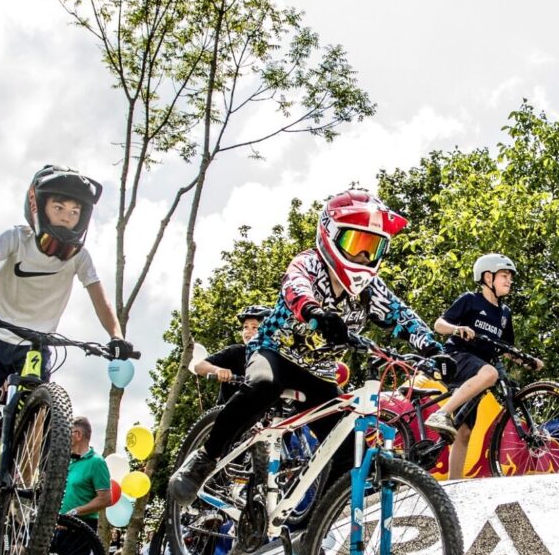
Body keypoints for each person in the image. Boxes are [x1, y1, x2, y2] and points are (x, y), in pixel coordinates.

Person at [169, 191, 440, 504]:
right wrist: (316, 313)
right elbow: (296, 288)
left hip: (320, 374)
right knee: (262, 386)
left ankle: (314, 532)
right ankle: (205, 458)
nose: (364, 258)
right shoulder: (309, 263)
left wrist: (435, 350)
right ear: (330, 235)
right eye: (356, 245)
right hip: (276, 354)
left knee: (350, 451)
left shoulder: (370, 289)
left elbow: (400, 315)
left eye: (372, 248)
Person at [0, 166, 136, 534]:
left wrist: (116, 336)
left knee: (38, 424)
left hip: (35, 345)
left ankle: (20, 499)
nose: (68, 217)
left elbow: (100, 297)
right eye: (60, 208)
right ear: (39, 207)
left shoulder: (79, 256)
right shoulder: (17, 238)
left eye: (75, 212)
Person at [426, 255, 543, 480]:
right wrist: (457, 328)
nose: (509, 281)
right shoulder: (470, 300)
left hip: (478, 372)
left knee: (464, 433)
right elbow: (439, 325)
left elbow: (507, 347)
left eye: (510, 277)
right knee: (491, 373)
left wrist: (527, 360)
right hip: (457, 358)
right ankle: (442, 413)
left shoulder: (504, 314)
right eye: (504, 276)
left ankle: (454, 486)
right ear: (487, 277)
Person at [50, 415, 111, 555]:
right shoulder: (66, 460)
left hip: (81, 528)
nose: (63, 437)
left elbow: (106, 498)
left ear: (77, 434)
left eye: (67, 433)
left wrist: (76, 512)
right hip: (56, 527)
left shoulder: (96, 462)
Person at [190, 306, 270, 402]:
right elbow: (199, 366)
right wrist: (218, 370)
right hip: (230, 412)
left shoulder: (274, 357)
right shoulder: (235, 351)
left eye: (254, 327)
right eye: (245, 327)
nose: (248, 331)